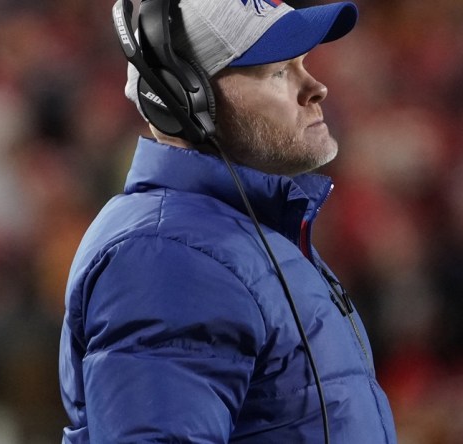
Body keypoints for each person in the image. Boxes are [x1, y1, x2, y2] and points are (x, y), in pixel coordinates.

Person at [58, 0, 398, 442]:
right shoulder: (170, 256)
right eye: (278, 71)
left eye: (304, 63)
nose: (316, 87)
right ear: (188, 98)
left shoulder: (240, 234)